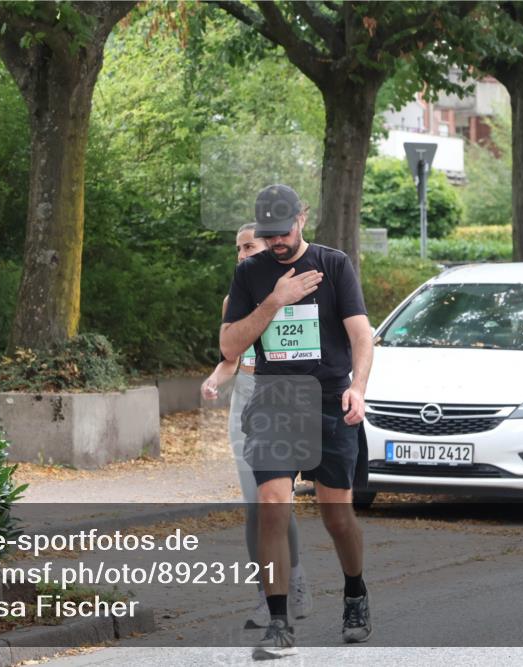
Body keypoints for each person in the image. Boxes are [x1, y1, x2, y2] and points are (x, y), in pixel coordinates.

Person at [220, 185, 373, 659]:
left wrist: (358, 388)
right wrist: (274, 301)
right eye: (269, 235)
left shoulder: (334, 265)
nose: (277, 242)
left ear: (302, 218)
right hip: (275, 399)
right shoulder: (250, 274)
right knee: (272, 505)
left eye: (283, 232)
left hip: (329, 400)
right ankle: (279, 621)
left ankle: (355, 592)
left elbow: (361, 336)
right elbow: (229, 347)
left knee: (337, 516)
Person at [201, 222, 311, 628]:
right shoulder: (234, 299)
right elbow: (230, 358)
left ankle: (293, 582)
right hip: (245, 403)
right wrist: (215, 379)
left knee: (276, 504)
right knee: (255, 507)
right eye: (238, 248)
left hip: (283, 402)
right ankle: (267, 595)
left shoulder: (297, 293)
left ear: (271, 248)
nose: (241, 254)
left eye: (249, 246)